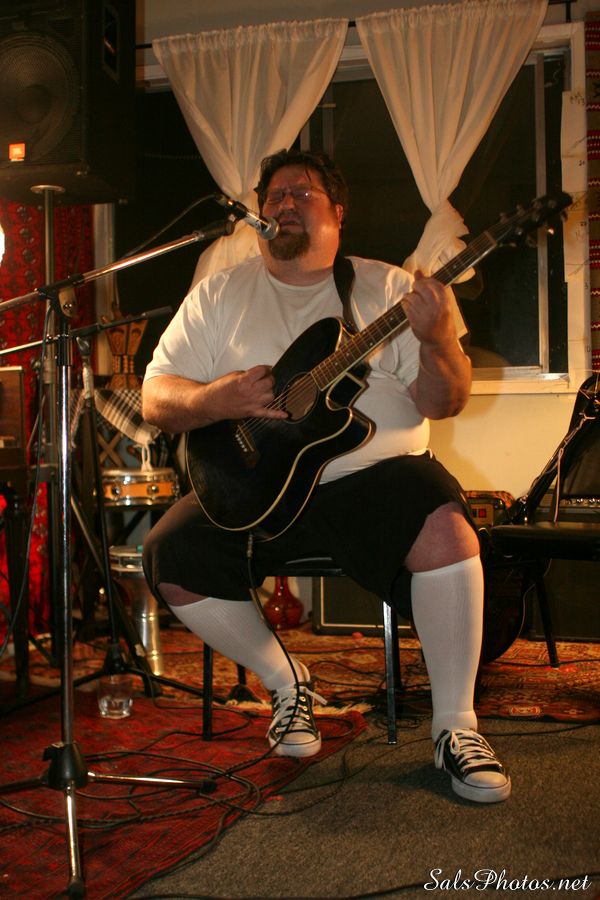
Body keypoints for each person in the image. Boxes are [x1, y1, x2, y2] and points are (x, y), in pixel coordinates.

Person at [141, 148, 511, 804]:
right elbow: (156, 397)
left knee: (444, 521)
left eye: (302, 193)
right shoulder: (220, 294)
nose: (284, 204)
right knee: (169, 551)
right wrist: (215, 399)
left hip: (374, 477)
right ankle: (287, 684)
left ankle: (456, 727)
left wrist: (436, 340)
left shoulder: (388, 288)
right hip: (254, 482)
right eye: (274, 197)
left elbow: (445, 402)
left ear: (338, 214)